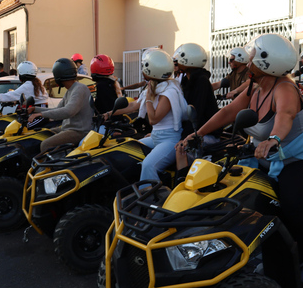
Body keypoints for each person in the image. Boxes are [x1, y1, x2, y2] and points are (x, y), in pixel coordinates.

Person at [178, 33, 303, 286]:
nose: (248, 62)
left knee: (291, 202)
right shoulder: (256, 88)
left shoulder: (285, 88)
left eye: (252, 59)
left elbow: (286, 115)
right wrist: (198, 134)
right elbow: (228, 111)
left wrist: (273, 140)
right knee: (235, 195)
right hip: (263, 158)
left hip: (299, 160)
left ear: (265, 63)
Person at [109, 49, 186, 183]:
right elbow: (134, 106)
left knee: (149, 165)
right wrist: (109, 113)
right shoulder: (155, 86)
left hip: (170, 141)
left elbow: (154, 119)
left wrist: (150, 99)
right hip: (156, 137)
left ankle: (149, 197)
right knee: (124, 150)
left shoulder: (169, 91)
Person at [28, 58, 94, 153]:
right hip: (69, 128)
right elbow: (57, 109)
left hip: (79, 131)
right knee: (42, 133)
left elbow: (68, 111)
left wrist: (41, 115)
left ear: (58, 76)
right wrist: (35, 109)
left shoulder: (79, 89)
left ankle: (52, 167)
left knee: (45, 144)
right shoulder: (71, 89)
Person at [173, 42, 219, 138]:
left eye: (180, 58)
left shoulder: (201, 81)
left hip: (204, 133)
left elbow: (196, 111)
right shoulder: (187, 80)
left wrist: (184, 137)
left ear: (189, 60)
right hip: (193, 130)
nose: (177, 62)